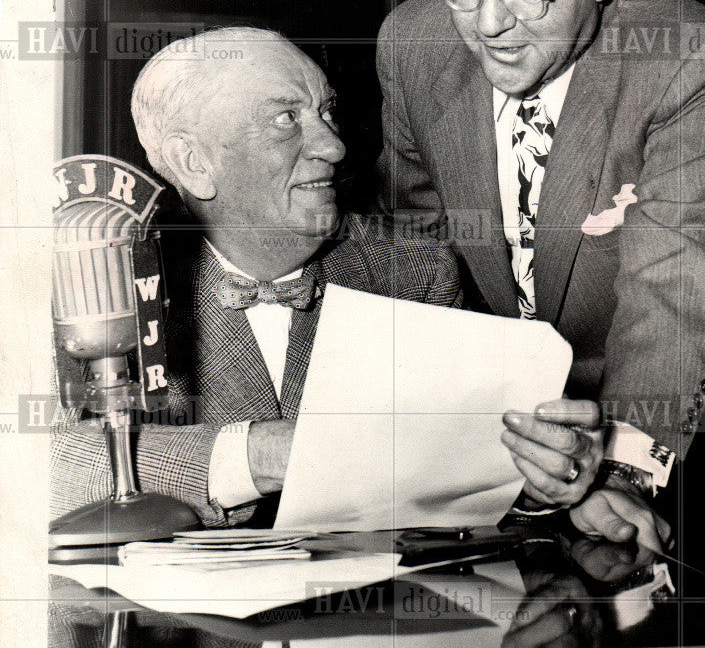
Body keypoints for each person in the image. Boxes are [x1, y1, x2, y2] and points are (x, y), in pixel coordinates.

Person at [376, 0, 705, 549]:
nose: (488, 25)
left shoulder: (691, 62)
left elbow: (679, 297)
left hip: (661, 458)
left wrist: (620, 474)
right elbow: (418, 252)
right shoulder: (412, 42)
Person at [51, 28, 461, 528]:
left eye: (327, 111)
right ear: (194, 163)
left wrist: (534, 471)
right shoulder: (96, 285)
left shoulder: (414, 272)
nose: (333, 147)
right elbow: (44, 468)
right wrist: (255, 455)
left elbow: (463, 471)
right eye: (285, 119)